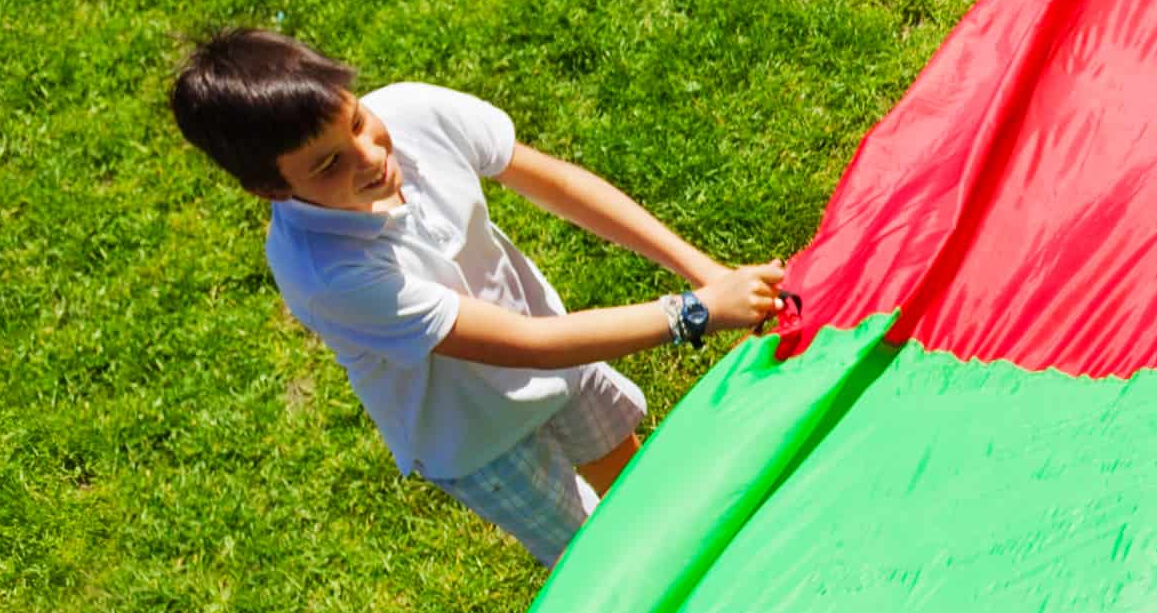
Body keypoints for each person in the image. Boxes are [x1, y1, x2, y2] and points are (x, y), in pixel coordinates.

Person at [165, 29, 789, 568]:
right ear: (270, 189)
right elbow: (527, 347)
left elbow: (560, 185)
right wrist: (695, 312)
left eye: (356, 121)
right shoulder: (327, 274)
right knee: (608, 556)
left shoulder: (412, 113)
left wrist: (705, 270)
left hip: (563, 356)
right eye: (328, 164)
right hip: (478, 439)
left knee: (644, 488)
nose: (371, 156)